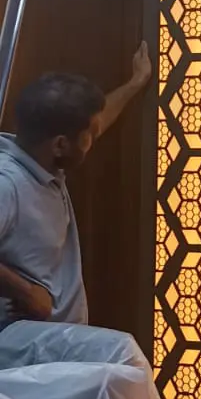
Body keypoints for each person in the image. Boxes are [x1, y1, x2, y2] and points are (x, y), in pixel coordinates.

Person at [0, 43, 151, 328]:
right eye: (89, 136)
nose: (94, 138)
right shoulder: (9, 183)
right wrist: (26, 292)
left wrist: (135, 83)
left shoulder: (41, 158)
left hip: (59, 335)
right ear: (60, 145)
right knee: (123, 351)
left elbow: (97, 122)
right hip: (26, 342)